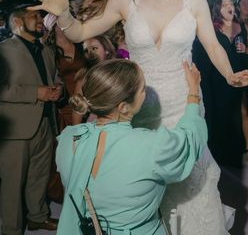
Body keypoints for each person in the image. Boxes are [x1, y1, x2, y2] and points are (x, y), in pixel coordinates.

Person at [26, 0, 248, 234]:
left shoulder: (195, 1)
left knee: (192, 180)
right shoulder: (127, 0)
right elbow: (81, 31)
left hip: (183, 99)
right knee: (146, 178)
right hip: (141, 105)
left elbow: (213, 46)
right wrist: (63, 14)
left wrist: (229, 75)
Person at [56, 58, 207, 234]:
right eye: (142, 88)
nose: (145, 92)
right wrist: (194, 92)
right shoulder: (153, 146)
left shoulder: (69, 139)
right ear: (123, 107)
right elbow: (189, 140)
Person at [0, 6, 62, 234]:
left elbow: (55, 78)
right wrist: (35, 93)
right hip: (15, 131)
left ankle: (37, 217)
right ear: (17, 22)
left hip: (45, 124)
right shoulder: (4, 50)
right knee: (12, 183)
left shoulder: (44, 50)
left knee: (40, 175)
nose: (39, 19)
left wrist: (58, 90)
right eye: (33, 16)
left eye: (39, 15)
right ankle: (11, 229)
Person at [194, 0, 248, 167]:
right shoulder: (213, 30)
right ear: (217, 10)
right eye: (224, 5)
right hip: (220, 77)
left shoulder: (243, 27)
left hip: (242, 72)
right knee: (222, 114)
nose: (229, 7)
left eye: (231, 4)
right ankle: (222, 152)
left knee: (242, 111)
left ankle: (244, 149)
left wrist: (247, 49)